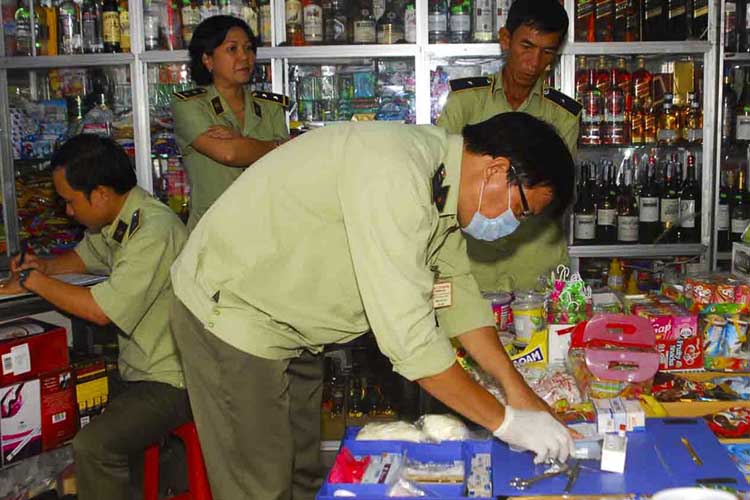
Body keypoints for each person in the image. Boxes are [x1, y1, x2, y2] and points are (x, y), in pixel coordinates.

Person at [169, 113, 576, 499]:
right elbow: (412, 345)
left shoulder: (444, 187)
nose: (513, 225)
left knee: (304, 473)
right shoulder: (396, 172)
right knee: (261, 485)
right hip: (234, 316)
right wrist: (506, 422)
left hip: (292, 325)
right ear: (496, 170)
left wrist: (517, 392)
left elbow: (457, 294)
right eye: (520, 210)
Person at [0, 135, 191, 500]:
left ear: (100, 194)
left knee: (95, 445)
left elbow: (100, 311)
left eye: (70, 201)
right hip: (138, 370)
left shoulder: (153, 231)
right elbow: (84, 258)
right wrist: (44, 267)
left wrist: (33, 281)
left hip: (173, 379)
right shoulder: (118, 219)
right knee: (66, 413)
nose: (68, 212)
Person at [437, 0, 581, 292]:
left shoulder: (563, 115)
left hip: (535, 267)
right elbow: (442, 179)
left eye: (547, 51)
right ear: (505, 39)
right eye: (526, 46)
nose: (534, 62)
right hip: (471, 266)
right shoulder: (466, 102)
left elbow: (553, 194)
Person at [172, 15, 289, 230]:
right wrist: (278, 146)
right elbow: (229, 154)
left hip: (265, 227)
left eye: (248, 48)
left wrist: (242, 142)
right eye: (232, 49)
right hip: (212, 230)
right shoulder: (190, 105)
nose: (244, 57)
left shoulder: (270, 107)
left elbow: (286, 163)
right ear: (208, 59)